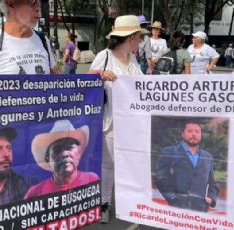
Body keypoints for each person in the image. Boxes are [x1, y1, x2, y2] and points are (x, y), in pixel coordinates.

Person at [88, 15, 147, 223]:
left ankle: (131, 205)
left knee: (131, 164)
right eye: (139, 36)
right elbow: (86, 82)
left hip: (132, 124)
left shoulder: (133, 60)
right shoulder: (104, 56)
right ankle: (104, 205)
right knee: (109, 166)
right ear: (130, 38)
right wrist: (100, 74)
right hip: (110, 122)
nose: (140, 41)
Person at [155, 120, 219, 212]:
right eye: (190, 131)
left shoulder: (207, 157)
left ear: (201, 135)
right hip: (177, 209)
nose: (193, 134)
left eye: (197, 131)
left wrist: (211, 197)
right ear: (183, 134)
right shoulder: (169, 152)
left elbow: (213, 183)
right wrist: (172, 197)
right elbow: (160, 178)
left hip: (200, 210)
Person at [24, 120, 99, 198]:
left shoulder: (92, 179)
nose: (64, 154)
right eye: (57, 149)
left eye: (70, 148)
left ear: (79, 153)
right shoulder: (35, 193)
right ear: (47, 159)